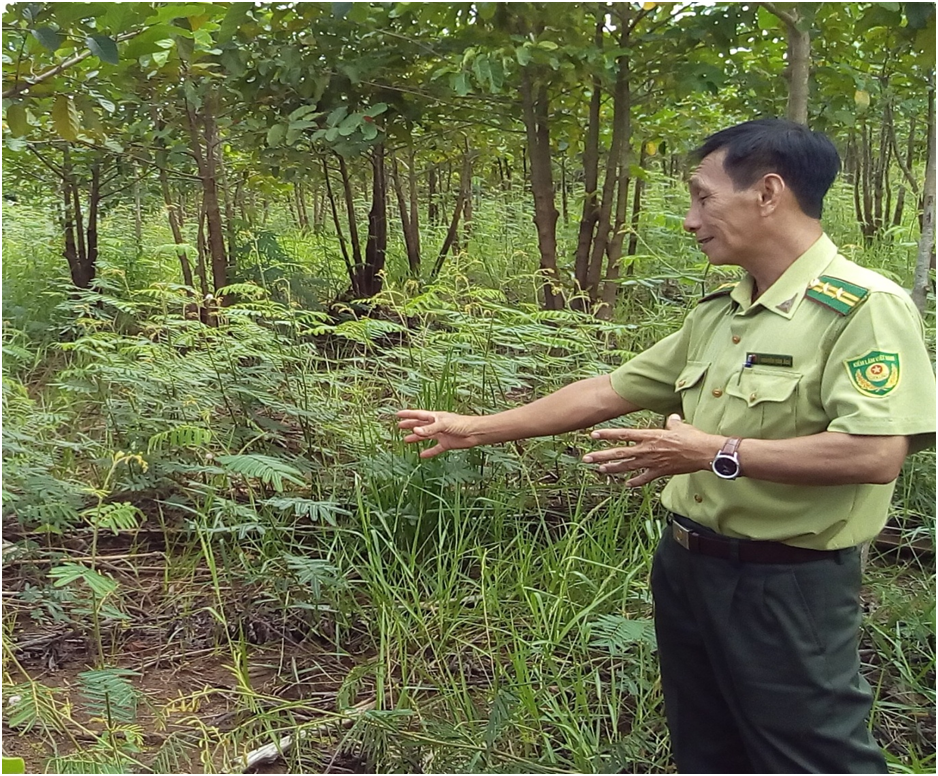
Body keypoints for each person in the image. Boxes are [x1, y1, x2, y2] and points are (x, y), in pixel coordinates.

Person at [397, 118, 937, 774]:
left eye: (704, 198)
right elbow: (609, 390)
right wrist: (477, 428)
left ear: (768, 193)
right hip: (687, 566)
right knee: (707, 749)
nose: (690, 219)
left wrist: (713, 451)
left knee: (811, 757)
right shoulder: (721, 312)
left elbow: (874, 454)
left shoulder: (862, 308)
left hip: (787, 583)